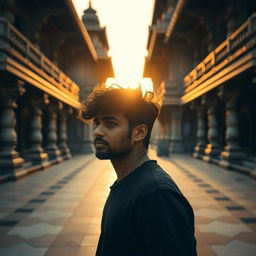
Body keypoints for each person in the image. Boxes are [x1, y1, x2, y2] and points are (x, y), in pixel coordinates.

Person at [78, 84, 197, 256]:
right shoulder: (126, 181)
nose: (97, 131)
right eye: (96, 123)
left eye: (110, 124)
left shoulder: (157, 194)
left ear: (139, 132)